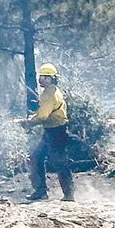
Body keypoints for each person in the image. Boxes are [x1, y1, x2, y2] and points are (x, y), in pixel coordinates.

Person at [20, 63, 74, 201]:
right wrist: (31, 120)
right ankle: (43, 192)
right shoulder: (53, 91)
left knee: (58, 161)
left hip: (56, 132)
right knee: (36, 158)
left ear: (52, 79)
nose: (42, 79)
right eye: (41, 76)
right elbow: (45, 113)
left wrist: (28, 123)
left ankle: (67, 194)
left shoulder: (49, 94)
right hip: (53, 131)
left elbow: (43, 116)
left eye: (46, 77)